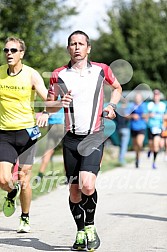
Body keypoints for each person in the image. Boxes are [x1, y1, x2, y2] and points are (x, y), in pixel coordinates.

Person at [44, 30, 122, 251]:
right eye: (72, 44)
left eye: (81, 43)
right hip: (70, 139)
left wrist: (111, 105)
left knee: (88, 185)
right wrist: (60, 102)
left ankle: (90, 225)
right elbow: (49, 105)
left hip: (94, 134)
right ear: (68, 48)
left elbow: (117, 88)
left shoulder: (101, 70)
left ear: (88, 48)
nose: (76, 47)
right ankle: (79, 231)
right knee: (74, 191)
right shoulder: (58, 75)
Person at [0, 37, 48, 233]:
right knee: (3, 180)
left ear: (21, 54)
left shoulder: (31, 75)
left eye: (13, 50)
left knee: (24, 177)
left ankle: (25, 218)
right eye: (6, 50)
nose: (9, 53)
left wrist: (45, 112)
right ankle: (12, 192)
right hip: (4, 133)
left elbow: (49, 99)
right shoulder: (0, 74)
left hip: (27, 133)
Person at [36, 108, 64, 180]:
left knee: (48, 150)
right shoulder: (64, 97)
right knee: (65, 151)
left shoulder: (50, 97)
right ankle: (67, 175)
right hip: (62, 124)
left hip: (52, 125)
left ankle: (40, 174)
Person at [126, 92, 147, 168]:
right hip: (133, 127)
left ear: (141, 99)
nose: (137, 99)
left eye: (139, 98)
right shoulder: (132, 105)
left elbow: (146, 115)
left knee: (139, 143)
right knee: (135, 145)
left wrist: (144, 116)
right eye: (136, 97)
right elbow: (126, 115)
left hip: (141, 127)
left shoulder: (144, 105)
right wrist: (132, 116)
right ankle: (137, 157)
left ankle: (138, 157)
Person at [147, 89, 166, 169]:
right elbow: (145, 115)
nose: (156, 97)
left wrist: (164, 117)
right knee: (151, 145)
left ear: (159, 96)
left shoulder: (163, 105)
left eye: (157, 95)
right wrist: (149, 115)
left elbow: (165, 115)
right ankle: (150, 150)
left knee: (156, 145)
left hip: (159, 127)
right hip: (150, 127)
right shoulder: (150, 105)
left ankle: (154, 162)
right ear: (153, 97)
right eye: (155, 95)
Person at [114, 98, 130, 165]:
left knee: (120, 144)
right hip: (125, 129)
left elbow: (114, 119)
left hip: (118, 129)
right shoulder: (127, 111)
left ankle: (119, 158)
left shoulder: (118, 110)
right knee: (124, 145)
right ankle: (121, 160)